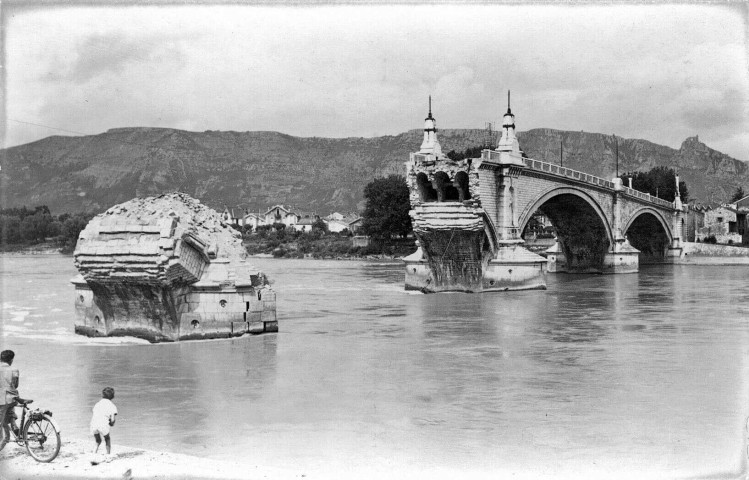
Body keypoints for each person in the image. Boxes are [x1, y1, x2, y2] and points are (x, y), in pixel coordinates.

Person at [90, 387, 118, 458]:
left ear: (102, 395)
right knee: (107, 438)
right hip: (103, 425)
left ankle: (94, 453)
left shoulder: (97, 404)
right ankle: (108, 455)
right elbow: (112, 421)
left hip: (93, 424)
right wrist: (111, 423)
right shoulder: (112, 406)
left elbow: (94, 413)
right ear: (112, 397)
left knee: (98, 441)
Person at [0, 350, 20, 437]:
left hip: (1, 400)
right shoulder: (15, 370)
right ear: (11, 360)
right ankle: (13, 423)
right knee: (10, 405)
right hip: (13, 398)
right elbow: (15, 385)